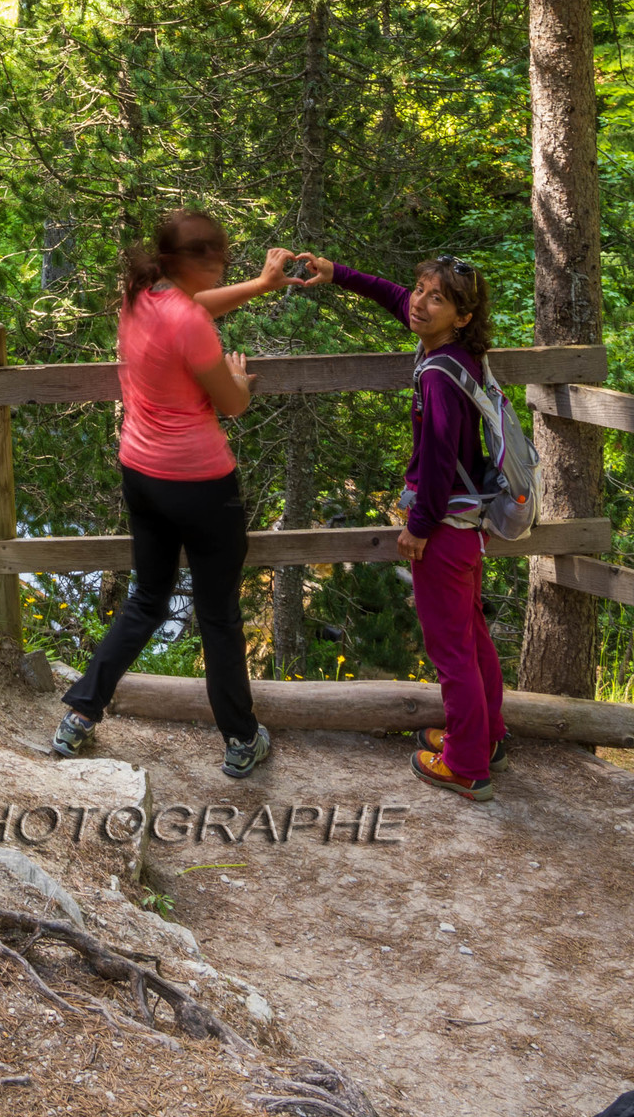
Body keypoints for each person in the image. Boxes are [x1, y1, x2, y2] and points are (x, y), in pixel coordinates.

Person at [51, 210, 299, 780]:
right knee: (218, 616)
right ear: (198, 260)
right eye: (222, 257)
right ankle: (241, 739)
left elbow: (192, 310)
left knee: (145, 599)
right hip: (202, 486)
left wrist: (261, 286)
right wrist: (238, 378)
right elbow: (233, 404)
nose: (228, 264)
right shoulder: (188, 322)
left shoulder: (140, 296)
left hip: (142, 474)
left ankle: (79, 716)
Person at [290, 249, 503, 801]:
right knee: (473, 637)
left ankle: (465, 762)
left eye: (439, 298)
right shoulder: (457, 355)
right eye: (421, 290)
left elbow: (435, 460)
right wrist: (339, 274)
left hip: (447, 527)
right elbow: (393, 296)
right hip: (468, 523)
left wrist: (420, 527)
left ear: (462, 316)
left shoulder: (437, 376)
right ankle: (485, 736)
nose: (420, 303)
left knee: (451, 649)